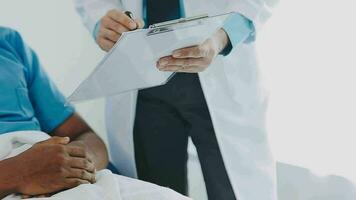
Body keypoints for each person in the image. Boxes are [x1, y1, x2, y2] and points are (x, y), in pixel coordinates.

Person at [74, 0, 278, 200]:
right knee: (154, 193)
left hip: (222, 68)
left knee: (235, 190)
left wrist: (224, 35)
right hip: (141, 79)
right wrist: (104, 23)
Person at [0, 27, 190, 200]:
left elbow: (84, 136)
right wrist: (18, 173)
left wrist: (73, 166)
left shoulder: (8, 43)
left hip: (64, 176)